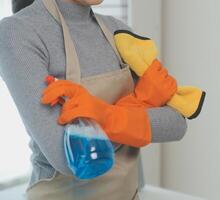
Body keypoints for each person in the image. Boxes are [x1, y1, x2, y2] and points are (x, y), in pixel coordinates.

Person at [0, 0, 187, 199]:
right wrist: (141, 102)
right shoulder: (18, 32)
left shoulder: (118, 31)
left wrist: (104, 116)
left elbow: (176, 123)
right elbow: (68, 158)